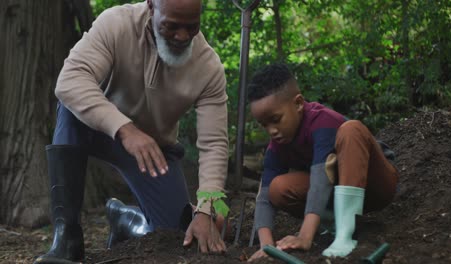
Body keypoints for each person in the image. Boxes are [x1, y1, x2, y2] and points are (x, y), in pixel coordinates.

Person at [34, 0, 229, 263]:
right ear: (151, 6)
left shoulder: (208, 68)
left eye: (191, 26)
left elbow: (214, 143)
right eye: (171, 26)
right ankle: (66, 237)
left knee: (173, 235)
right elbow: (70, 81)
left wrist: (205, 211)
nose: (182, 36)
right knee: (71, 109)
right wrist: (124, 129)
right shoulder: (115, 24)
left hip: (155, 151)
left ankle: (127, 220)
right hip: (97, 128)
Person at [246, 64, 399, 261]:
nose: (271, 130)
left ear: (299, 103)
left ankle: (344, 233)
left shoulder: (321, 121)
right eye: (264, 125)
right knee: (277, 187)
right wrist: (266, 246)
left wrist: (304, 236)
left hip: (376, 185)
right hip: (336, 192)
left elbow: (321, 179)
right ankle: (334, 224)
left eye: (276, 119)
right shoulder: (277, 145)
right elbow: (265, 196)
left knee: (351, 129)